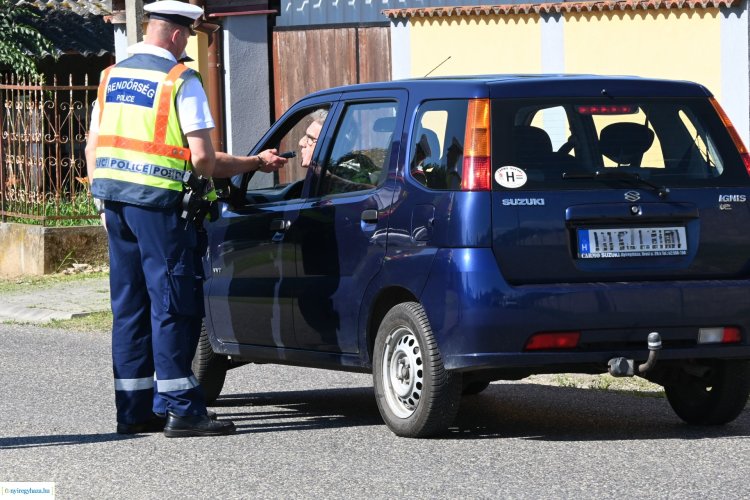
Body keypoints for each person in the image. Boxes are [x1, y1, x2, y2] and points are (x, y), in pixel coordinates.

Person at [84, 0, 287, 438]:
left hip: (115, 206)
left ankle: (135, 409)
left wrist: (100, 201)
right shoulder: (180, 81)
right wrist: (254, 162)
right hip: (159, 209)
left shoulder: (111, 76)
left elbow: (93, 145)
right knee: (173, 303)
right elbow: (203, 160)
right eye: (189, 38)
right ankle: (181, 408)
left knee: (130, 306)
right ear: (177, 35)